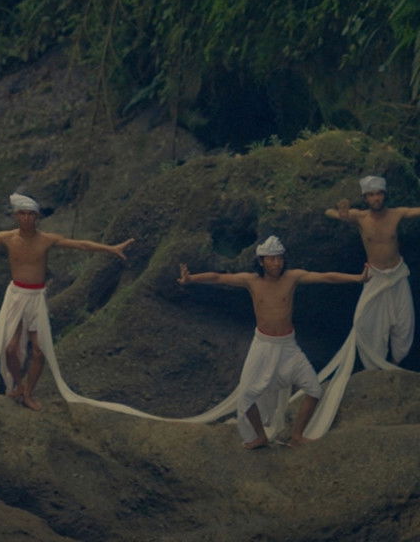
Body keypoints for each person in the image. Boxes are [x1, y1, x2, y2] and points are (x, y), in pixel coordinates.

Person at [0, 193, 134, 411]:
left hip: (36, 297)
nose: (26, 219)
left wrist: (110, 248)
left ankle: (28, 393)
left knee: (38, 351)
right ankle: (18, 385)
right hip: (16, 295)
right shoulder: (7, 237)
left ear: (37, 217)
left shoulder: (46, 239)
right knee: (10, 349)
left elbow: (81, 245)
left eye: (30, 215)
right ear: (16, 216)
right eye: (22, 214)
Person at [178, 236, 368, 448]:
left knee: (314, 389)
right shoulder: (251, 280)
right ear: (261, 261)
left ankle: (297, 435)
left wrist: (357, 278)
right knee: (247, 396)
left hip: (288, 346)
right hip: (263, 345)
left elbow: (326, 277)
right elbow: (218, 278)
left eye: (279, 259)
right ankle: (260, 436)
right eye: (271, 259)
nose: (276, 263)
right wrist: (191, 278)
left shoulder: (292, 277)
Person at [325, 175, 418, 366]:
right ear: (365, 198)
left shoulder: (396, 213)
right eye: (371, 195)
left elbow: (415, 211)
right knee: (364, 322)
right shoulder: (360, 217)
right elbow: (328, 212)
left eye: (379, 194)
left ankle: (394, 363)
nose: (376, 198)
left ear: (384, 195)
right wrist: (341, 213)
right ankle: (375, 366)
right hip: (374, 276)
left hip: (398, 274)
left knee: (404, 322)